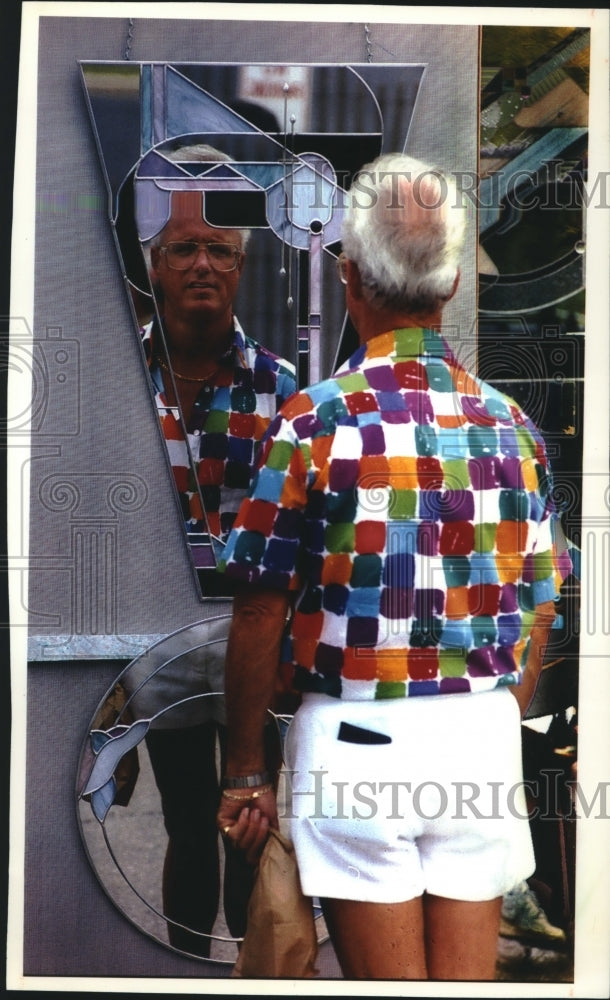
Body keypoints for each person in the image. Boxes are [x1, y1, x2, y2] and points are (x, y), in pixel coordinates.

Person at [215, 152, 569, 980]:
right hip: (479, 734)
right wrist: (491, 714)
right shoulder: (512, 426)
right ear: (450, 286)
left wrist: (243, 771)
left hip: (356, 740)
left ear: (349, 275)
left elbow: (261, 610)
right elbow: (542, 602)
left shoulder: (312, 423)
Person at [139, 145, 296, 956]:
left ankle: (246, 973)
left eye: (220, 251)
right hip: (154, 645)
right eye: (184, 249)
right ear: (156, 265)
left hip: (253, 641)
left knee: (247, 823)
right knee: (186, 825)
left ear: (241, 267)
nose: (203, 263)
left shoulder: (284, 389)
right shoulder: (123, 381)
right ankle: (181, 967)